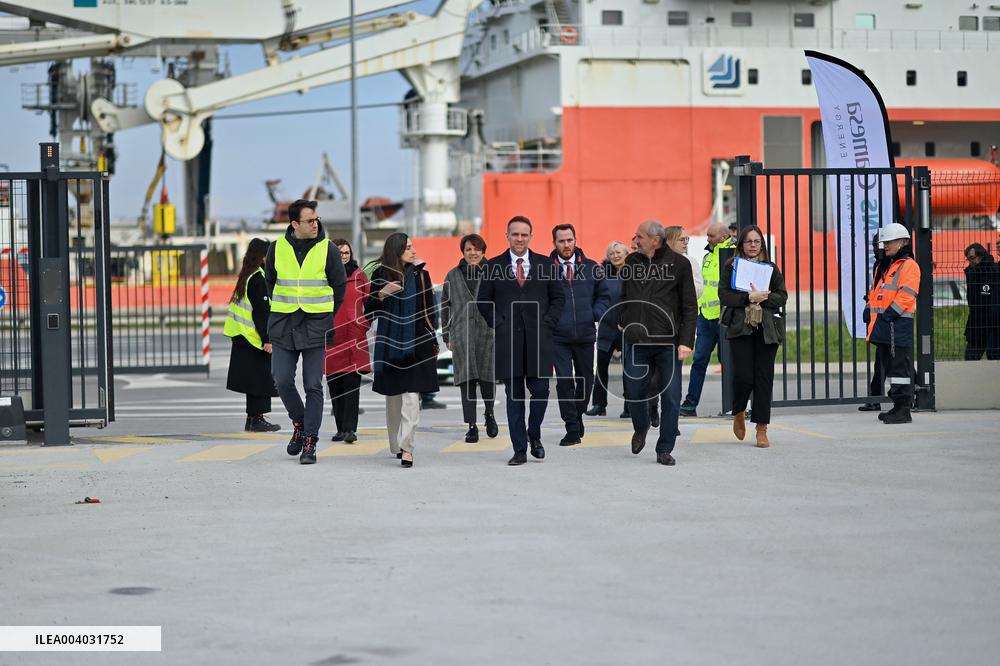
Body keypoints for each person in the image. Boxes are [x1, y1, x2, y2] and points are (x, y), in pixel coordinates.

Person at [477, 216, 566, 466]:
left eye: (524, 234)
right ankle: (519, 450)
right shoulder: (493, 266)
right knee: (514, 397)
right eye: (515, 234)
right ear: (507, 236)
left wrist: (547, 323)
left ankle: (534, 434)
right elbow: (484, 301)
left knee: (540, 391)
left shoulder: (546, 264)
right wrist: (499, 323)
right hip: (509, 342)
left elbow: (559, 298)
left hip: (540, 339)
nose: (519, 239)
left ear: (531, 236)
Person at [265, 199, 347, 465]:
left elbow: (339, 288)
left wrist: (324, 315)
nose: (315, 224)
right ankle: (300, 424)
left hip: (316, 326)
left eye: (316, 219)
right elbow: (270, 283)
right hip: (283, 325)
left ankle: (310, 440)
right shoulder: (276, 249)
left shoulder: (329, 250)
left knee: (313, 384)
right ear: (294, 224)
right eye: (309, 220)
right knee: (282, 380)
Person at [619, 220, 696, 466]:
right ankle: (640, 426)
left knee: (672, 398)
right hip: (637, 341)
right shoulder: (631, 262)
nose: (635, 240)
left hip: (668, 344)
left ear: (655, 240)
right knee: (633, 393)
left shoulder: (679, 264)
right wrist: (623, 318)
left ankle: (664, 448)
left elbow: (689, 307)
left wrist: (685, 341)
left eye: (639, 236)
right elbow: (623, 293)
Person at [365, 233, 439, 467]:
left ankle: (407, 448)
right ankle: (396, 445)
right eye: (408, 247)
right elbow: (368, 311)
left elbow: (430, 311)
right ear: (395, 250)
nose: (413, 251)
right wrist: (381, 294)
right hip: (390, 342)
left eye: (413, 246)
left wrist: (434, 338)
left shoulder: (421, 275)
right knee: (394, 397)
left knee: (411, 397)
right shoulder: (379, 274)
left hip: (418, 342)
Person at [718, 225, 788, 448]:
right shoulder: (731, 267)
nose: (753, 245)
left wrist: (763, 298)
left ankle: (761, 428)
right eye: (748, 241)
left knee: (764, 379)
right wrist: (748, 297)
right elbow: (724, 295)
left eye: (757, 241)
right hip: (741, 328)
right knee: (745, 377)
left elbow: (782, 296)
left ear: (762, 245)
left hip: (767, 330)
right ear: (741, 245)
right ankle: (738, 411)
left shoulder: (771, 268)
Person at [548, 224, 610, 446]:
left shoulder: (592, 268)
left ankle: (578, 412)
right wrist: (549, 322)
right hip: (558, 337)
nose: (566, 245)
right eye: (561, 241)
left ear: (575, 240)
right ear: (554, 243)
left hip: (585, 334)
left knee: (586, 381)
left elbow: (604, 295)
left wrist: (594, 314)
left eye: (569, 240)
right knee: (564, 382)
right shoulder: (545, 270)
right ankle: (572, 428)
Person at [441, 233, 498, 443]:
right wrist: (447, 334)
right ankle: (471, 425)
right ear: (463, 252)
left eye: (476, 249)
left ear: (483, 251)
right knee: (467, 381)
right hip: (462, 333)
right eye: (468, 249)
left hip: (488, 333)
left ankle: (489, 414)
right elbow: (444, 306)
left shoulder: (494, 273)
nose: (472, 253)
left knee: (487, 378)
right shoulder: (452, 275)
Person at [865, 223, 921, 425]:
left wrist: (889, 315)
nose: (885, 246)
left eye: (889, 242)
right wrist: (869, 308)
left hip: (896, 324)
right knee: (891, 368)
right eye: (884, 242)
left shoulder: (908, 266)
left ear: (902, 242)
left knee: (900, 370)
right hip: (886, 325)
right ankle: (898, 406)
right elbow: (879, 294)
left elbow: (907, 295)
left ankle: (903, 409)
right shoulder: (889, 266)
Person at [679, 223, 735, 417]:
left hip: (725, 318)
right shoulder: (707, 256)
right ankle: (690, 404)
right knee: (699, 360)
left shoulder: (733, 254)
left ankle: (735, 405)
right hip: (706, 318)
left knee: (727, 361)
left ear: (724, 236)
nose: (707, 239)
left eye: (711, 236)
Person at [224, 238, 280, 432]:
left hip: (242, 335)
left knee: (254, 379)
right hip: (252, 337)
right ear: (264, 256)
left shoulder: (248, 275)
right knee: (260, 379)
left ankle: (253, 418)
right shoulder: (259, 279)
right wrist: (267, 339)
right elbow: (261, 312)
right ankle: (256, 419)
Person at [325, 238, 371, 443]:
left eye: (346, 253)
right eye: (339, 253)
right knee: (334, 385)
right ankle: (340, 429)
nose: (344, 256)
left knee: (352, 385)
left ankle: (350, 429)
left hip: (354, 335)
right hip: (332, 336)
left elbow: (371, 302)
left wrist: (363, 323)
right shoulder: (323, 276)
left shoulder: (359, 274)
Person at [587, 241, 629, 418]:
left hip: (627, 328)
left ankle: (629, 407)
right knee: (601, 367)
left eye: (618, 252)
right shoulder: (601, 274)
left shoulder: (633, 273)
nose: (615, 256)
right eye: (611, 253)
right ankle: (599, 404)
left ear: (626, 253)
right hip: (606, 328)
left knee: (630, 369)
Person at [859, 232, 891, 411]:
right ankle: (875, 398)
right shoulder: (879, 265)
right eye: (872, 246)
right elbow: (876, 289)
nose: (874, 250)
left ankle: (917, 392)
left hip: (892, 318)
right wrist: (868, 304)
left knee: (894, 360)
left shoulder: (893, 264)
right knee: (884, 359)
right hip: (880, 317)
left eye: (876, 246)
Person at [963, 243, 1000, 360]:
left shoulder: (995, 271)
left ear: (981, 256)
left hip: (994, 324)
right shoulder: (972, 273)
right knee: (970, 359)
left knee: (994, 360)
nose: (970, 262)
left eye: (972, 258)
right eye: (968, 259)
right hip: (976, 323)